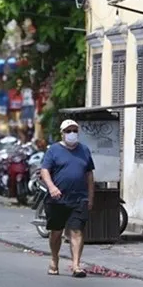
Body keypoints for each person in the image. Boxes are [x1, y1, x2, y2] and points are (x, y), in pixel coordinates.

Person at [40, 119, 94, 278]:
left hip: (79, 198)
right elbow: (45, 171)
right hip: (57, 199)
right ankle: (54, 259)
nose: (72, 134)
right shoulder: (53, 150)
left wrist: (90, 197)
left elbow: (89, 175)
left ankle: (76, 265)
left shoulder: (84, 150)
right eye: (68, 131)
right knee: (56, 232)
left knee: (77, 231)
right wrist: (51, 187)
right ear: (62, 133)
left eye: (75, 131)